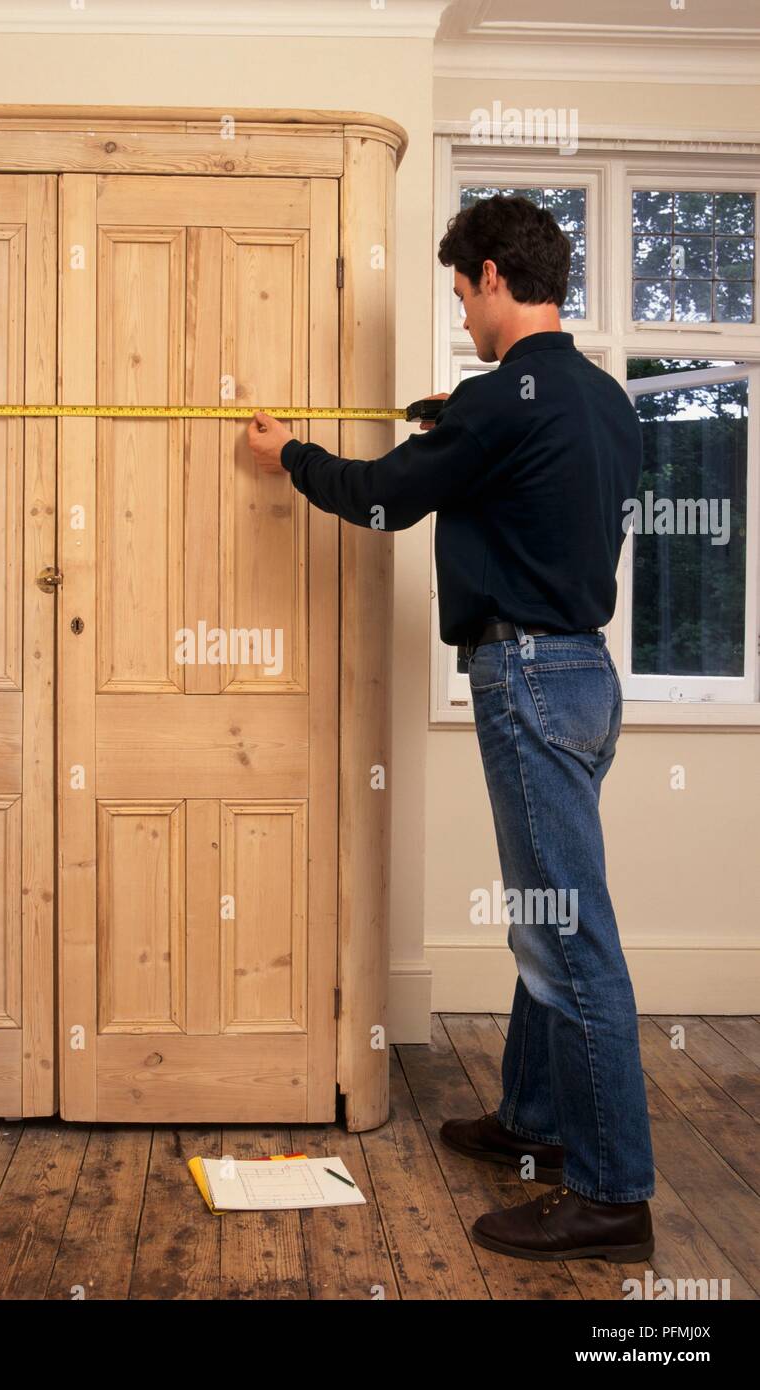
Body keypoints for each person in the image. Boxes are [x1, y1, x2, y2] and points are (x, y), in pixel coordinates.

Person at [247, 194, 655, 1263]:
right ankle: (531, 1121)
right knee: (543, 913)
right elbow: (534, 474)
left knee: (569, 939)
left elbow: (382, 496)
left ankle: (611, 1194)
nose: (461, 316)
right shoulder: (601, 399)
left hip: (525, 674)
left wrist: (289, 455)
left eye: (458, 293)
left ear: (486, 275)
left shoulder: (495, 401)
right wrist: (456, 420)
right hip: (585, 677)